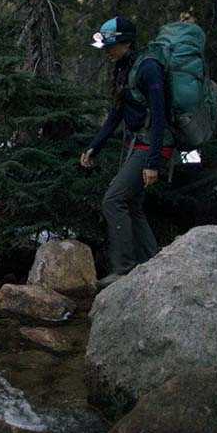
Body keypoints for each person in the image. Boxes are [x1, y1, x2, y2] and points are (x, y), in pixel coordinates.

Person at [79, 16, 172, 288]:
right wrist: (94, 145)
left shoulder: (149, 68)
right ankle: (152, 262)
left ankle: (123, 269)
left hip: (155, 145)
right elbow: (116, 114)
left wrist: (153, 162)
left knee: (113, 200)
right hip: (141, 145)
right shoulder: (123, 67)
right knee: (131, 203)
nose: (107, 51)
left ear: (128, 42)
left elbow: (159, 116)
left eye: (112, 45)